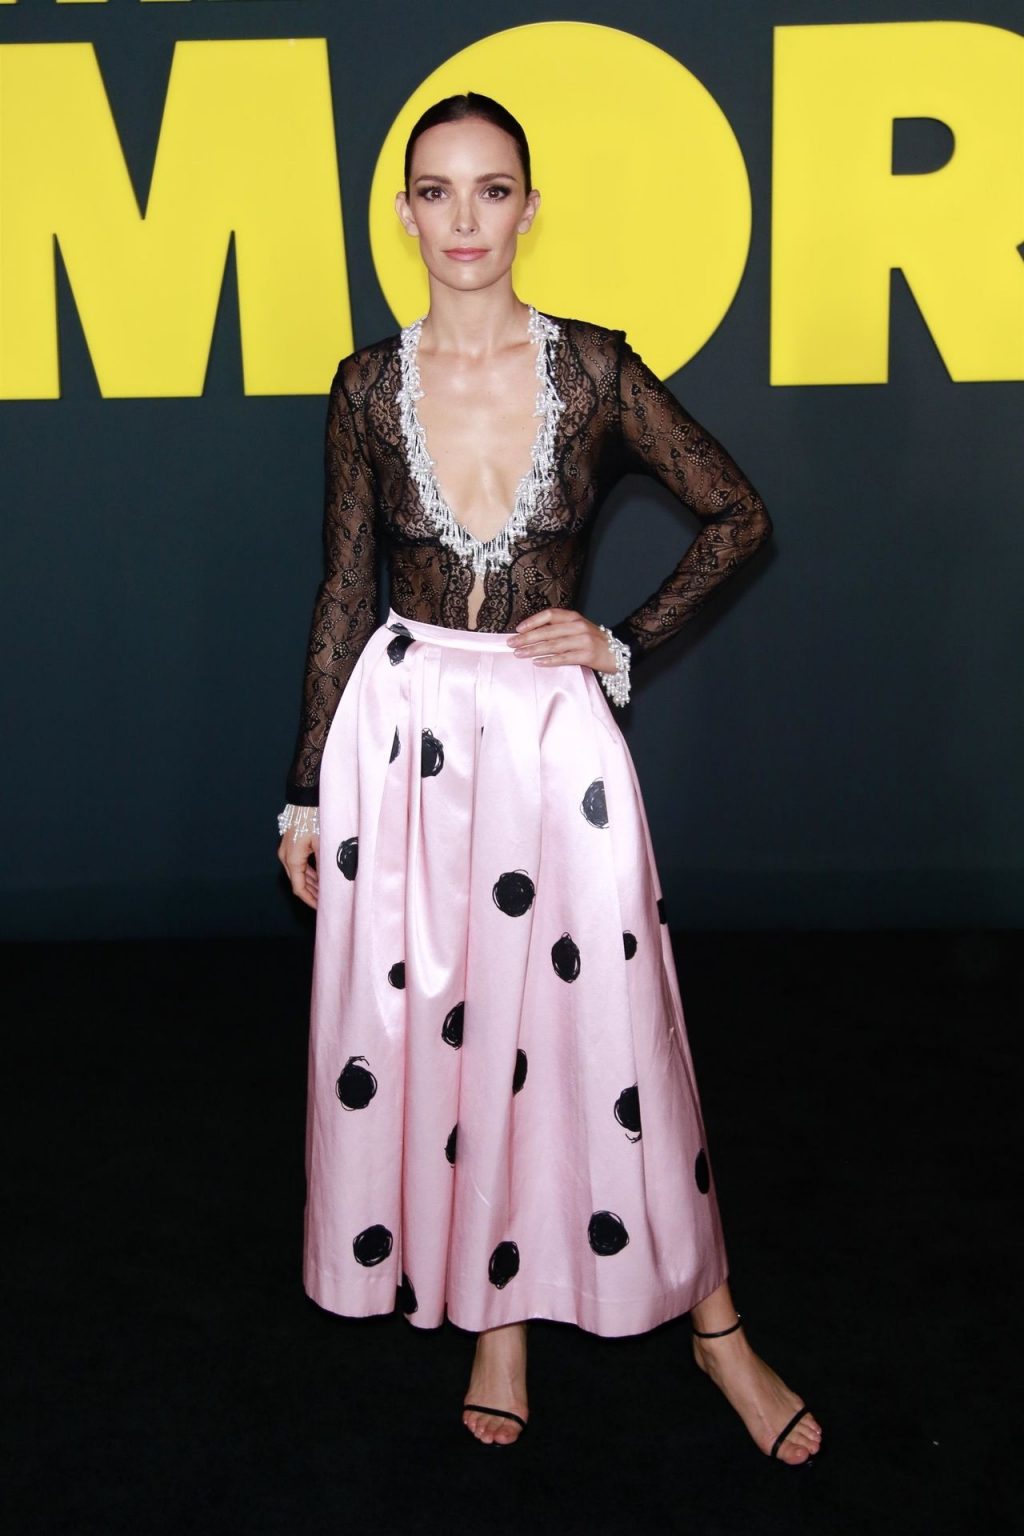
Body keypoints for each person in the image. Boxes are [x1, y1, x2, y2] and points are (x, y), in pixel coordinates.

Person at [277, 92, 823, 1465]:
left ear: (530, 207)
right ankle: (497, 1319)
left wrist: (620, 641)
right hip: (404, 744)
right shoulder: (364, 388)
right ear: (404, 213)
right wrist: (306, 793)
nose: (465, 219)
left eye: (492, 189)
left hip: (549, 743)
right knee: (450, 1029)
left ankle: (718, 1330)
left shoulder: (592, 370)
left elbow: (737, 513)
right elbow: (344, 591)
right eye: (438, 191)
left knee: (612, 1032)